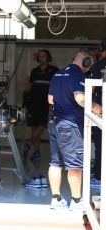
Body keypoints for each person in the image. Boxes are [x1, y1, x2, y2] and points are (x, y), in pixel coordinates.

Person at [47, 49, 101, 210]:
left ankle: (56, 199)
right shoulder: (78, 74)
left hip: (54, 123)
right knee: (75, 165)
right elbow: (81, 99)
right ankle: (77, 202)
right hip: (70, 125)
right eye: (90, 62)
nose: (90, 66)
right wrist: (99, 108)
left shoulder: (58, 74)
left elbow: (50, 100)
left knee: (56, 162)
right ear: (86, 60)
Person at [23, 49, 59, 189]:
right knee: (34, 126)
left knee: (43, 125)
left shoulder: (54, 70)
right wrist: (25, 99)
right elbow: (29, 85)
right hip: (34, 102)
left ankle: (27, 144)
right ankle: (36, 151)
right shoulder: (34, 71)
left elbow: (58, 85)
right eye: (40, 56)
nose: (41, 58)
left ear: (48, 58)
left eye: (44, 56)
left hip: (47, 103)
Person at [90, 38, 106, 189]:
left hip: (101, 111)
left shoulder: (99, 66)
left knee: (101, 144)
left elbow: (91, 89)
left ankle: (100, 177)